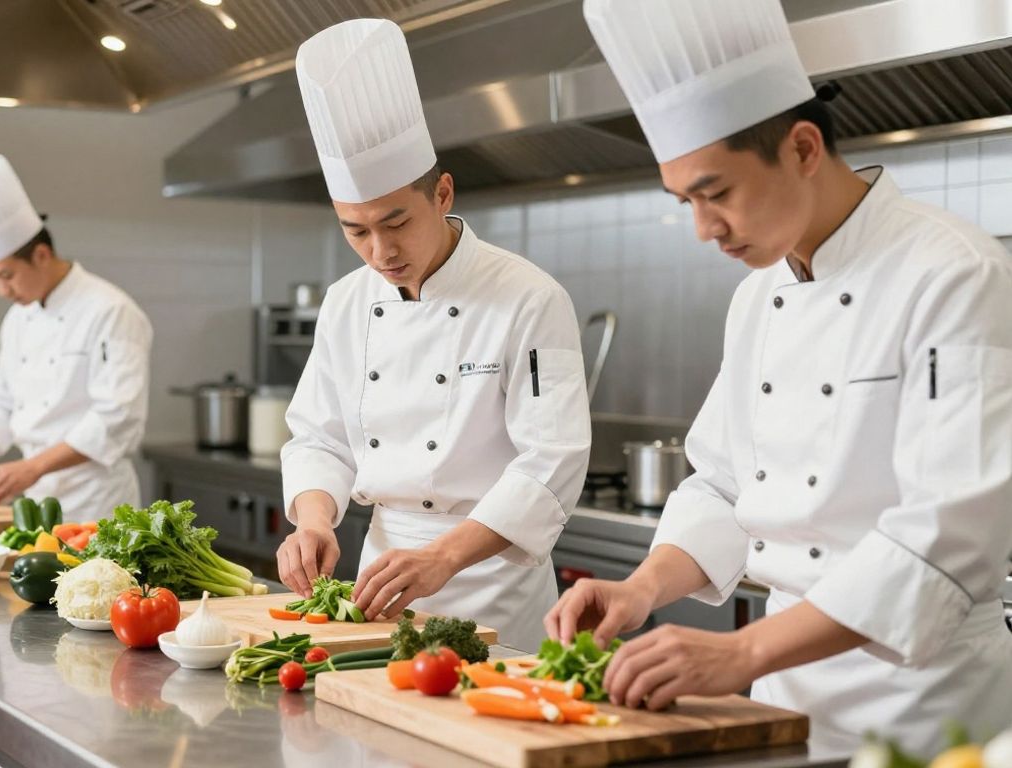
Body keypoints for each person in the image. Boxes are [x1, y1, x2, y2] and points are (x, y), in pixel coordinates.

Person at [548, 0, 1012, 755]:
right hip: (781, 700)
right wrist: (643, 588)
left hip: (925, 709)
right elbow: (725, 486)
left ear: (802, 148)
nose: (703, 229)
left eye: (716, 192)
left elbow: (945, 537)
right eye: (685, 203)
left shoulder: (954, 274)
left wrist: (742, 652)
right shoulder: (759, 294)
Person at [277, 18, 592, 651]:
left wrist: (446, 557)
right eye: (355, 231)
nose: (380, 251)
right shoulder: (345, 302)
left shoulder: (528, 297)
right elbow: (319, 436)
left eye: (396, 222)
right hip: (380, 582)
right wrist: (314, 520)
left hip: (493, 580)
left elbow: (551, 461)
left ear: (442, 191)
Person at [0, 155, 152, 522]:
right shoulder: (19, 318)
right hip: (35, 502)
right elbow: (2, 401)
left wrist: (33, 466)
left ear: (42, 255)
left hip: (97, 504)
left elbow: (118, 418)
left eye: (7, 276)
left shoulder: (111, 311)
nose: (2, 291)